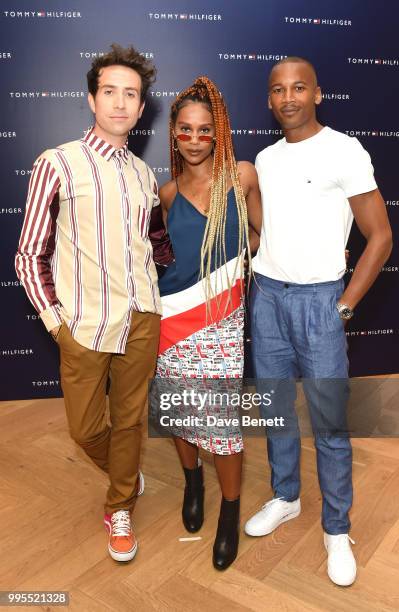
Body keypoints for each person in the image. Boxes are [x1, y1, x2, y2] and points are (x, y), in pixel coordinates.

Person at [244, 57, 392, 586]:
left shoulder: (344, 149)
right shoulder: (263, 158)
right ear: (268, 100)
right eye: (279, 89)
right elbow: (269, 231)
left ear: (317, 93)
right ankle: (286, 497)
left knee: (329, 424)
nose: (289, 97)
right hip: (266, 298)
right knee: (277, 409)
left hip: (320, 303)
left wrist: (345, 306)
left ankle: (336, 528)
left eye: (299, 87)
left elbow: (380, 236)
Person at [15, 44, 165, 563]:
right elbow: (28, 254)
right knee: (85, 429)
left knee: (129, 422)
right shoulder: (57, 164)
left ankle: (119, 503)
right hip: (83, 325)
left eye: (131, 94)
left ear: (142, 108)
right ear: (91, 99)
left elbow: (152, 248)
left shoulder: (145, 177)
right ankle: (124, 471)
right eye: (110, 92)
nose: (121, 103)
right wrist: (57, 323)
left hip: (142, 318)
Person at [155, 76, 262, 570]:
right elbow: (163, 258)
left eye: (203, 130)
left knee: (222, 424)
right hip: (173, 315)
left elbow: (259, 235)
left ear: (217, 132)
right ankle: (193, 483)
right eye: (184, 131)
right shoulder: (167, 191)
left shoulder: (241, 176)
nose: (194, 140)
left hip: (221, 318)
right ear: (174, 135)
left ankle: (230, 510)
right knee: (179, 411)